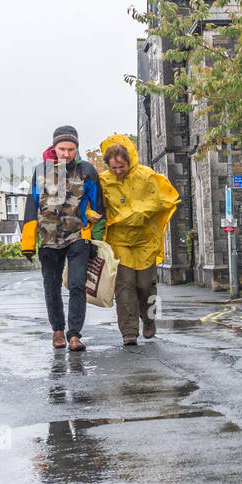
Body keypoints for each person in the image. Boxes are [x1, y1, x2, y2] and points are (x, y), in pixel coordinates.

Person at [21, 126, 103, 351]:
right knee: (51, 286)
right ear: (54, 147)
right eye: (62, 149)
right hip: (48, 238)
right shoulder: (40, 171)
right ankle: (57, 330)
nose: (66, 154)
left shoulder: (87, 170)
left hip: (78, 236)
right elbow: (31, 206)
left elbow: (98, 207)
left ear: (77, 148)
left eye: (71, 149)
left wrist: (97, 241)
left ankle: (74, 335)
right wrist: (28, 243)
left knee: (77, 285)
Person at [97, 134, 179, 345]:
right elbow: (94, 204)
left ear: (129, 161)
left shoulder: (146, 175)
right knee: (124, 287)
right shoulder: (104, 182)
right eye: (113, 168)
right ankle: (129, 332)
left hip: (145, 241)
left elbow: (166, 198)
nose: (117, 171)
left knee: (146, 285)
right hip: (119, 242)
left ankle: (149, 321)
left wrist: (139, 214)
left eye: (121, 166)